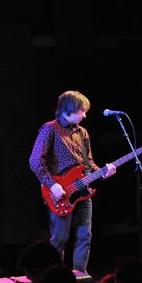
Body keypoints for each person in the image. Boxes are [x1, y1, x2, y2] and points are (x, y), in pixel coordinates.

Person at [29, 90, 116, 273]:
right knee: (60, 239)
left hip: (83, 191)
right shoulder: (50, 129)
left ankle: (80, 275)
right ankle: (53, 276)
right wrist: (52, 184)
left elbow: (88, 163)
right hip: (59, 193)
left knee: (85, 236)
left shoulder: (82, 132)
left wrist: (103, 172)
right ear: (69, 109)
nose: (85, 115)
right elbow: (35, 160)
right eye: (82, 111)